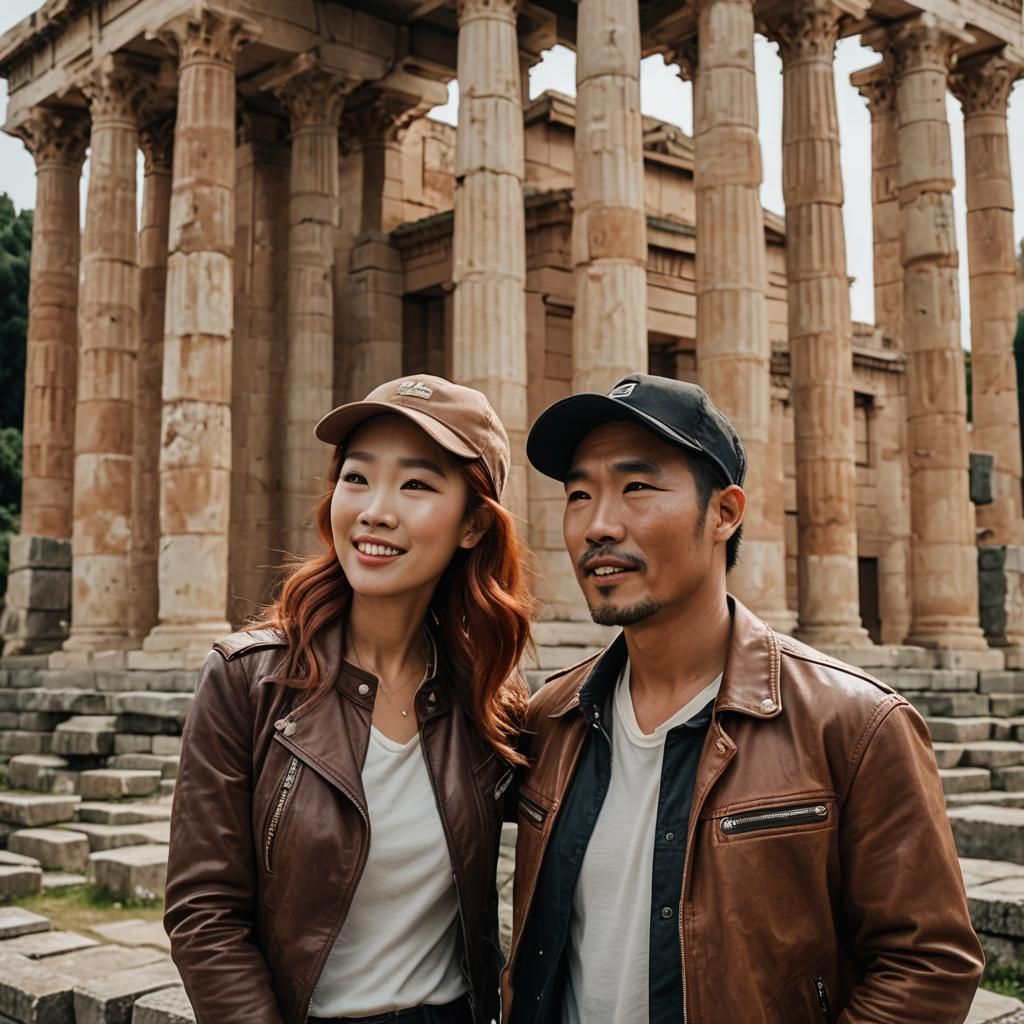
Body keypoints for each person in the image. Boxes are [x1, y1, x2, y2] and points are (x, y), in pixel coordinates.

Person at [502, 373, 983, 1024]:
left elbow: (929, 965)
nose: (597, 524)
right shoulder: (550, 720)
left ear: (725, 512)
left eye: (635, 487)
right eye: (578, 494)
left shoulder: (856, 723)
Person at [165, 375, 531, 1024]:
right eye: (356, 478)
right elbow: (204, 916)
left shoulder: (486, 699)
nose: (374, 511)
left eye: (415, 484)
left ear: (474, 523)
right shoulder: (247, 681)